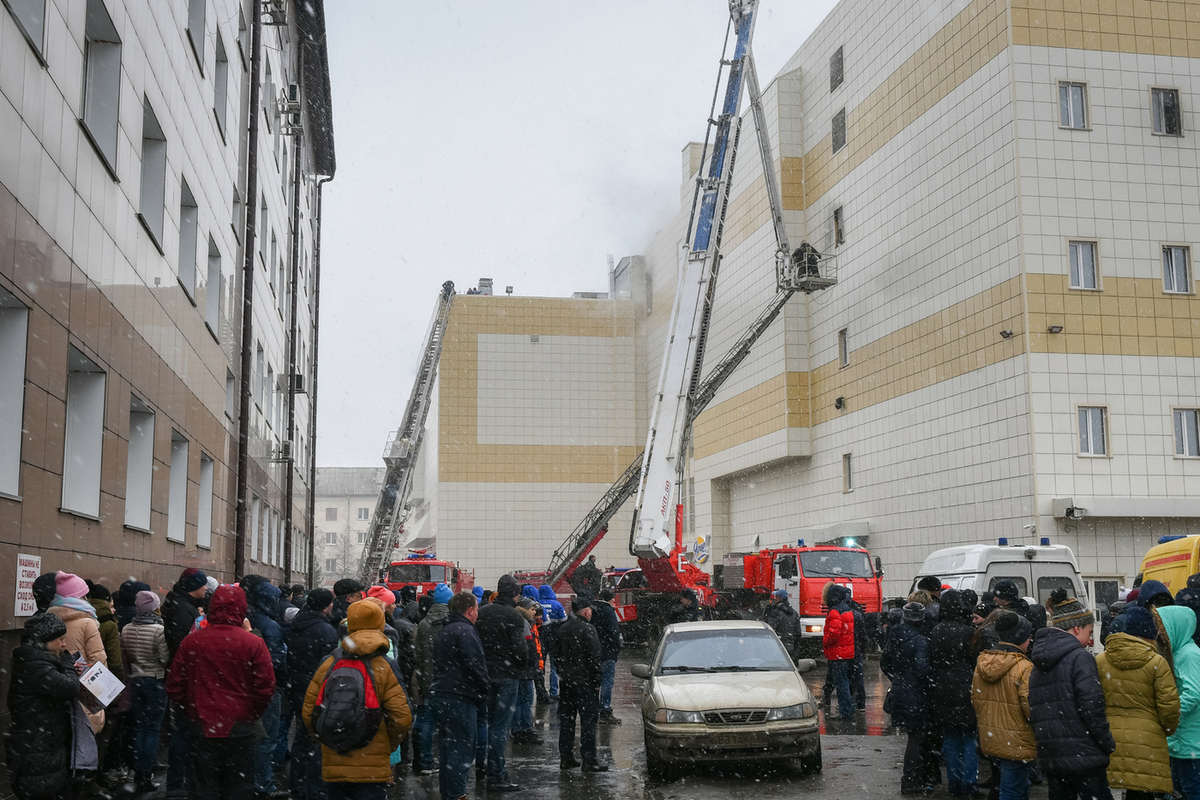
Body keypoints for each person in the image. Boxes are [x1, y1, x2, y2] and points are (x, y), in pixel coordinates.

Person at [166, 585, 276, 800]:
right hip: (240, 726)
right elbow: (265, 687)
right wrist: (251, 713)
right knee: (237, 787)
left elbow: (175, 684)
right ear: (242, 608)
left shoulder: (192, 641)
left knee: (203, 788)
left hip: (201, 725)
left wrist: (193, 709)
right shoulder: (254, 643)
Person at [301, 599, 413, 800]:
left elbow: (309, 712)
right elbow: (401, 717)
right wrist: (389, 744)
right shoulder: (385, 666)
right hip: (373, 764)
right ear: (380, 624)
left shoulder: (329, 663)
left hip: (335, 758)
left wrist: (325, 740)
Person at [1028, 594, 1115, 800]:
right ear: (1077, 629)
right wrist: (1106, 742)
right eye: (1089, 632)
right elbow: (1092, 706)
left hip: (1052, 754)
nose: (1091, 638)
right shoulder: (1080, 658)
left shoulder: (1038, 660)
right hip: (1084, 755)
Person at [1095, 606, 1179, 800]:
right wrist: (1166, 730)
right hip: (1147, 740)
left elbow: (1092, 700)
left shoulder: (1101, 660)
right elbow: (1169, 707)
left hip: (1110, 737)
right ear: (1149, 634)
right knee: (1142, 791)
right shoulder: (1157, 663)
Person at [6, 613, 89, 800]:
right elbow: (69, 687)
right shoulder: (35, 665)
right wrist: (68, 666)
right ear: (44, 642)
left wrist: (65, 667)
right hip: (36, 746)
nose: (64, 645)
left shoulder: (38, 661)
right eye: (60, 640)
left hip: (42, 743)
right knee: (41, 790)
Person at [430, 592, 489, 800]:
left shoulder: (444, 629)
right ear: (470, 610)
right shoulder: (465, 631)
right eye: (477, 609)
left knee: (448, 749)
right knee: (461, 751)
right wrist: (484, 690)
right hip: (460, 697)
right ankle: (456, 795)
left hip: (442, 694)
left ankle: (450, 793)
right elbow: (475, 666)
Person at [972, 612, 1036, 800]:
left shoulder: (982, 662)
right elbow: (1030, 707)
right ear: (1021, 638)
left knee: (1016, 787)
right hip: (1017, 741)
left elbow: (975, 699)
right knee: (1012, 790)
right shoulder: (1024, 667)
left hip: (992, 737)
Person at [474, 575, 527, 792]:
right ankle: (497, 774)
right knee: (499, 726)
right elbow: (520, 649)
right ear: (515, 595)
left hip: (484, 674)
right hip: (506, 676)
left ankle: (480, 767)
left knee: (483, 722)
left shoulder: (482, 612)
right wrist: (519, 668)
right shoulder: (513, 616)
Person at [286, 589, 339, 800]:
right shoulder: (326, 630)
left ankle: (297, 786)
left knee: (301, 738)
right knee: (317, 742)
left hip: (297, 688)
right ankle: (315, 790)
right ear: (326, 606)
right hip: (315, 690)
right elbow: (327, 666)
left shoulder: (296, 625)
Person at [161, 567, 208, 799]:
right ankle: (178, 784)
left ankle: (179, 782)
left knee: (182, 730)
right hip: (186, 676)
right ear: (193, 588)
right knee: (183, 732)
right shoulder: (183, 609)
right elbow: (184, 645)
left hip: (181, 674)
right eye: (203, 585)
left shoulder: (179, 603)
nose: (206, 588)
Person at [929, 590, 980, 797]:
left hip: (942, 689)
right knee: (970, 737)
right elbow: (976, 662)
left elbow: (932, 661)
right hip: (967, 688)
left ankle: (954, 783)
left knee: (950, 738)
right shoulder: (969, 632)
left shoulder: (936, 631)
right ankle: (969, 782)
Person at [120, 591, 171, 793]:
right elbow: (164, 659)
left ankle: (136, 770)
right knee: (152, 729)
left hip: (136, 681)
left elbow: (125, 657)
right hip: (155, 681)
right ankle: (145, 773)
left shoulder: (126, 629)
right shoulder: (159, 630)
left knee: (139, 728)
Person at [244, 577, 289, 800]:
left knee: (252, 738)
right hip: (267, 689)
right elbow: (274, 660)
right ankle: (263, 784)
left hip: (243, 687)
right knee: (265, 739)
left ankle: (252, 781)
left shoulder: (245, 617)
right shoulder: (269, 624)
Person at [882, 602, 934, 795]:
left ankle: (912, 778)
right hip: (915, 693)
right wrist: (930, 681)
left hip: (900, 690)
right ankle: (910, 780)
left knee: (914, 736)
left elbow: (884, 662)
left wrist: (897, 679)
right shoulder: (920, 640)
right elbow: (922, 669)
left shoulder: (895, 635)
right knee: (917, 737)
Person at [555, 597, 608, 773]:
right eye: (590, 610)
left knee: (567, 720)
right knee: (588, 722)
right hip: (585, 683)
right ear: (586, 611)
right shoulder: (589, 629)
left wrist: (563, 674)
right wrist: (597, 681)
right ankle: (589, 759)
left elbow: (556, 657)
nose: (591, 613)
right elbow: (594, 658)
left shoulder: (563, 629)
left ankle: (566, 757)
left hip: (567, 683)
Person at [412, 582, 453, 776]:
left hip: (427, 679)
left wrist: (420, 681)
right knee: (449, 724)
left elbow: (418, 656)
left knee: (426, 721)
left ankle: (426, 761)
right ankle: (449, 762)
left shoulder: (423, 624)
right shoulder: (453, 622)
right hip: (450, 682)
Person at [1158, 605, 1200, 800]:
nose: (1160, 633)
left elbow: (1193, 693)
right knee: (1177, 791)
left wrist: (1169, 711)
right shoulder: (1179, 652)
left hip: (1191, 742)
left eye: (1164, 628)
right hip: (1182, 740)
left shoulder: (1189, 655)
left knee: (1189, 791)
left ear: (1177, 627)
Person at [47, 571, 107, 666]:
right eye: (84, 595)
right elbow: (97, 657)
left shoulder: (49, 619)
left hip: (58, 675)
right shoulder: (87, 622)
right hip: (82, 676)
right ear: (80, 597)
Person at [510, 597, 544, 745]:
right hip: (525, 670)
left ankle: (518, 729)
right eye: (532, 609)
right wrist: (533, 666)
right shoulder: (524, 624)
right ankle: (523, 730)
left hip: (522, 669)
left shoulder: (524, 622)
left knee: (520, 699)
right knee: (526, 699)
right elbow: (528, 648)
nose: (534, 611)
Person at [823, 583, 857, 720]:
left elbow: (833, 633)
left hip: (838, 654)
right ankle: (849, 708)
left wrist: (825, 641)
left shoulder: (834, 612)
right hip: (847, 652)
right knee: (846, 682)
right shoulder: (847, 609)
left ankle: (845, 711)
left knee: (841, 683)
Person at [592, 588, 622, 724]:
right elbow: (614, 632)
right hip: (607, 652)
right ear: (610, 599)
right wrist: (617, 647)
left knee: (595, 681)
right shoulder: (608, 611)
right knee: (607, 681)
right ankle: (605, 709)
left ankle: (593, 707)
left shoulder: (592, 609)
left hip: (595, 652)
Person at [764, 589, 800, 661]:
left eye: (776, 597)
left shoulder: (775, 613)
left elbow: (770, 631)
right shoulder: (794, 613)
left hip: (777, 648)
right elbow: (798, 633)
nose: (774, 599)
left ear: (779, 598)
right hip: (790, 648)